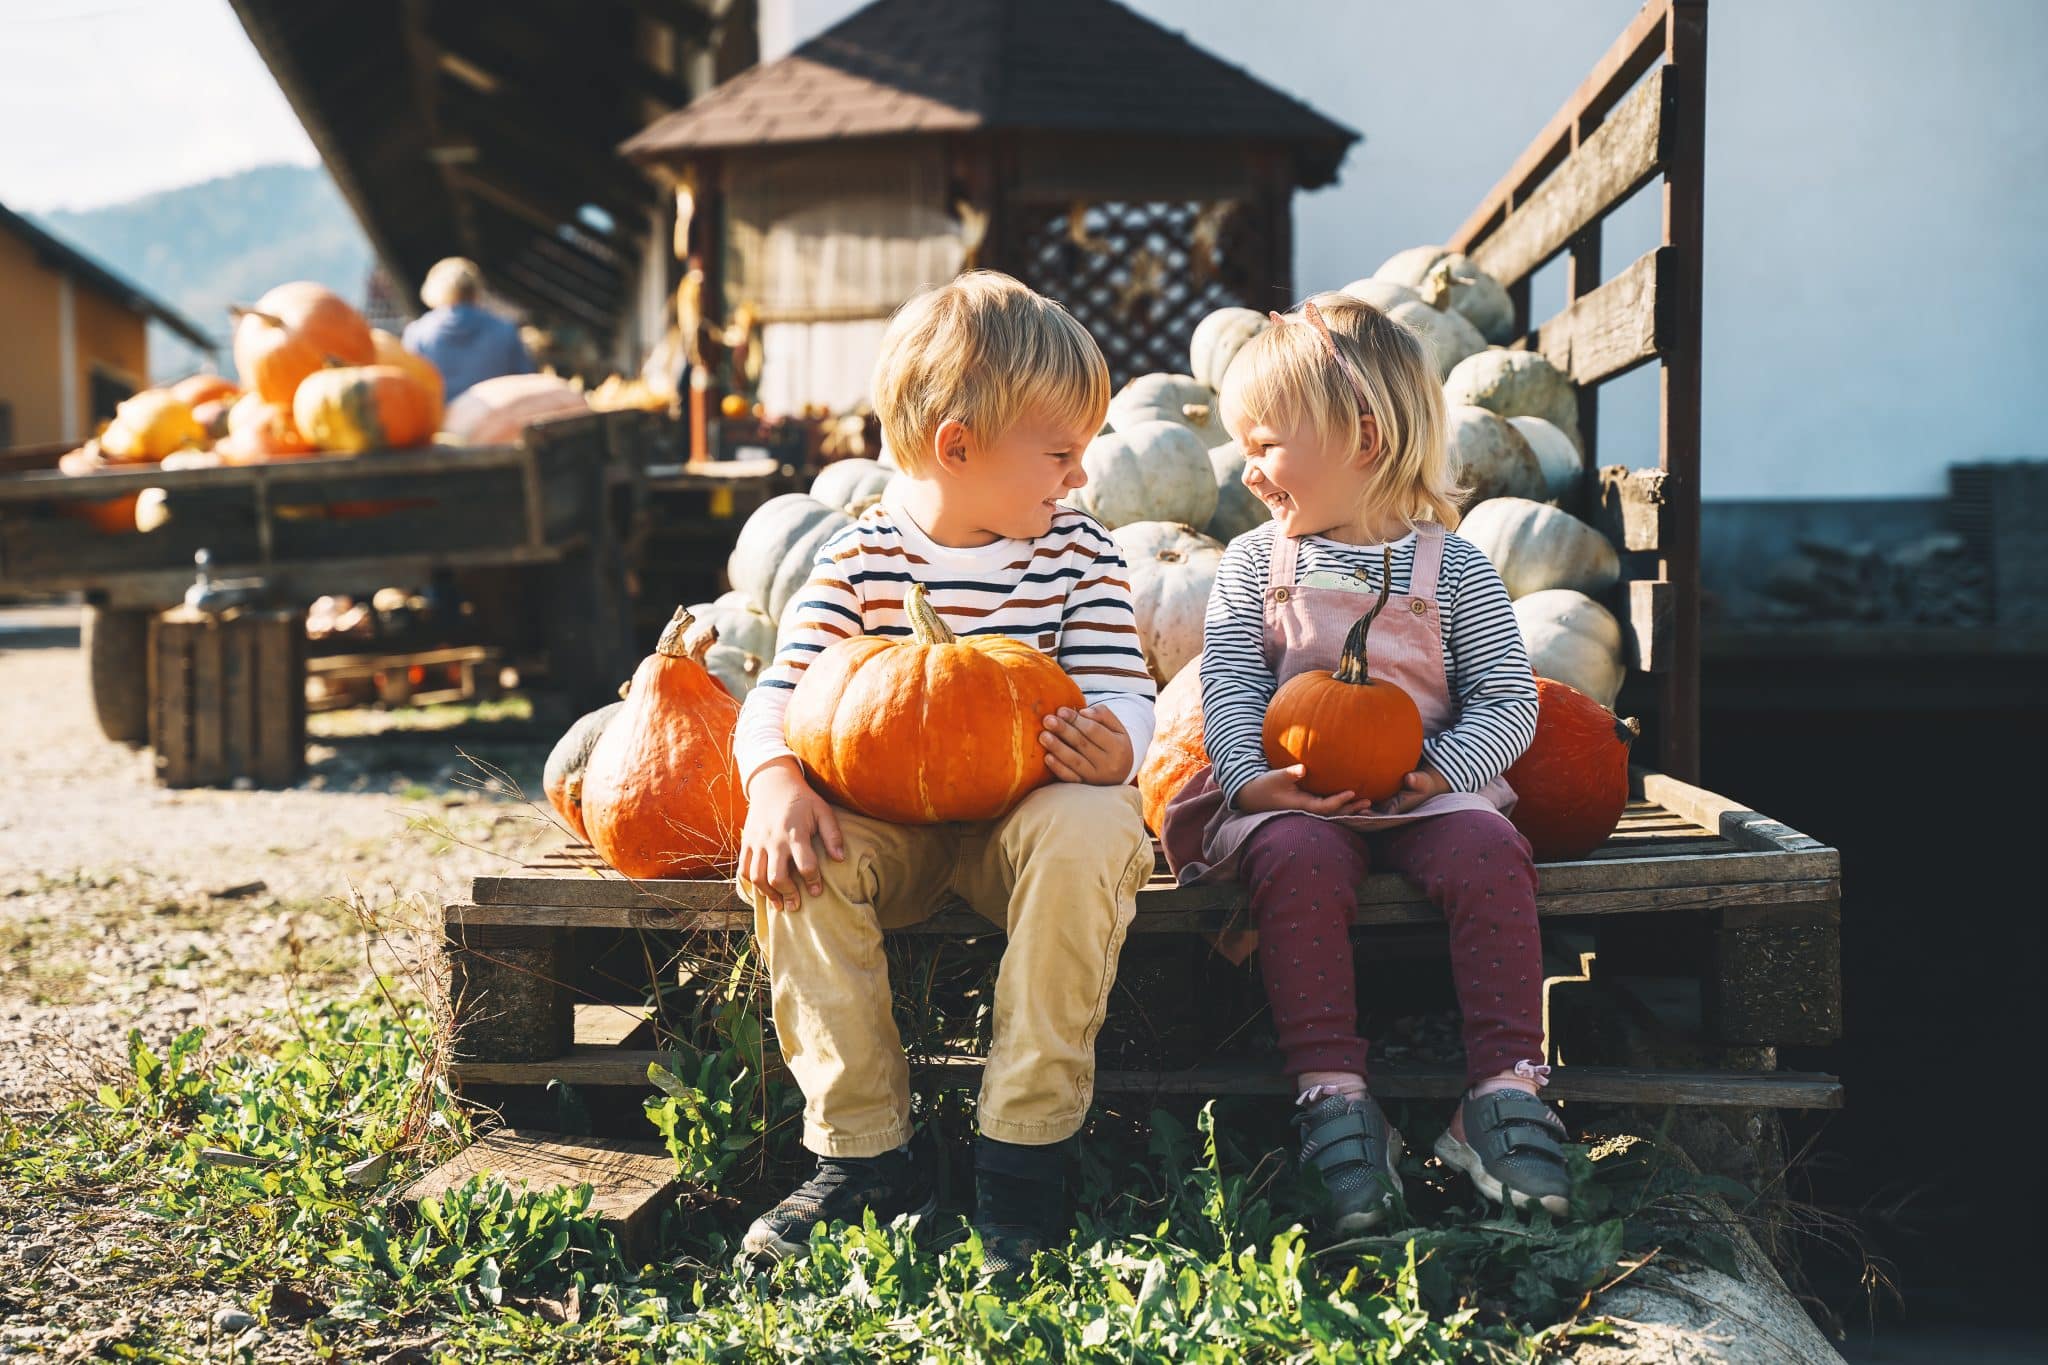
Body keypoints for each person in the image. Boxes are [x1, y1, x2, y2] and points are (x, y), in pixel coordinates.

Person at [731, 271, 1157, 1271]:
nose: (1080, 476)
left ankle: (1023, 1149)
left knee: (1097, 823)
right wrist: (774, 782)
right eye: (1059, 453)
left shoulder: (1079, 556)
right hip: (893, 827)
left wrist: (1121, 741)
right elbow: (779, 695)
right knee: (801, 863)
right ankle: (864, 1150)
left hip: (1024, 829)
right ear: (957, 446)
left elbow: (1123, 685)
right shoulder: (859, 561)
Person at [1160, 295, 1567, 1236]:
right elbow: (1225, 685)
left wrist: (1448, 768)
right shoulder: (1253, 564)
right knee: (1294, 863)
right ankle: (1333, 1096)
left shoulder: (1454, 567)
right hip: (1296, 795)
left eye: (1264, 443)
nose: (1249, 470)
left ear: (1366, 437)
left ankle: (1504, 1090)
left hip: (1427, 791)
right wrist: (1246, 775)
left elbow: (1510, 697)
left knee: (1489, 854)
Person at [401, 257, 533, 401]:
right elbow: (527, 380)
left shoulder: (417, 334)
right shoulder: (505, 329)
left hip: (441, 419)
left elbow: (409, 387)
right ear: (477, 289)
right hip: (497, 416)